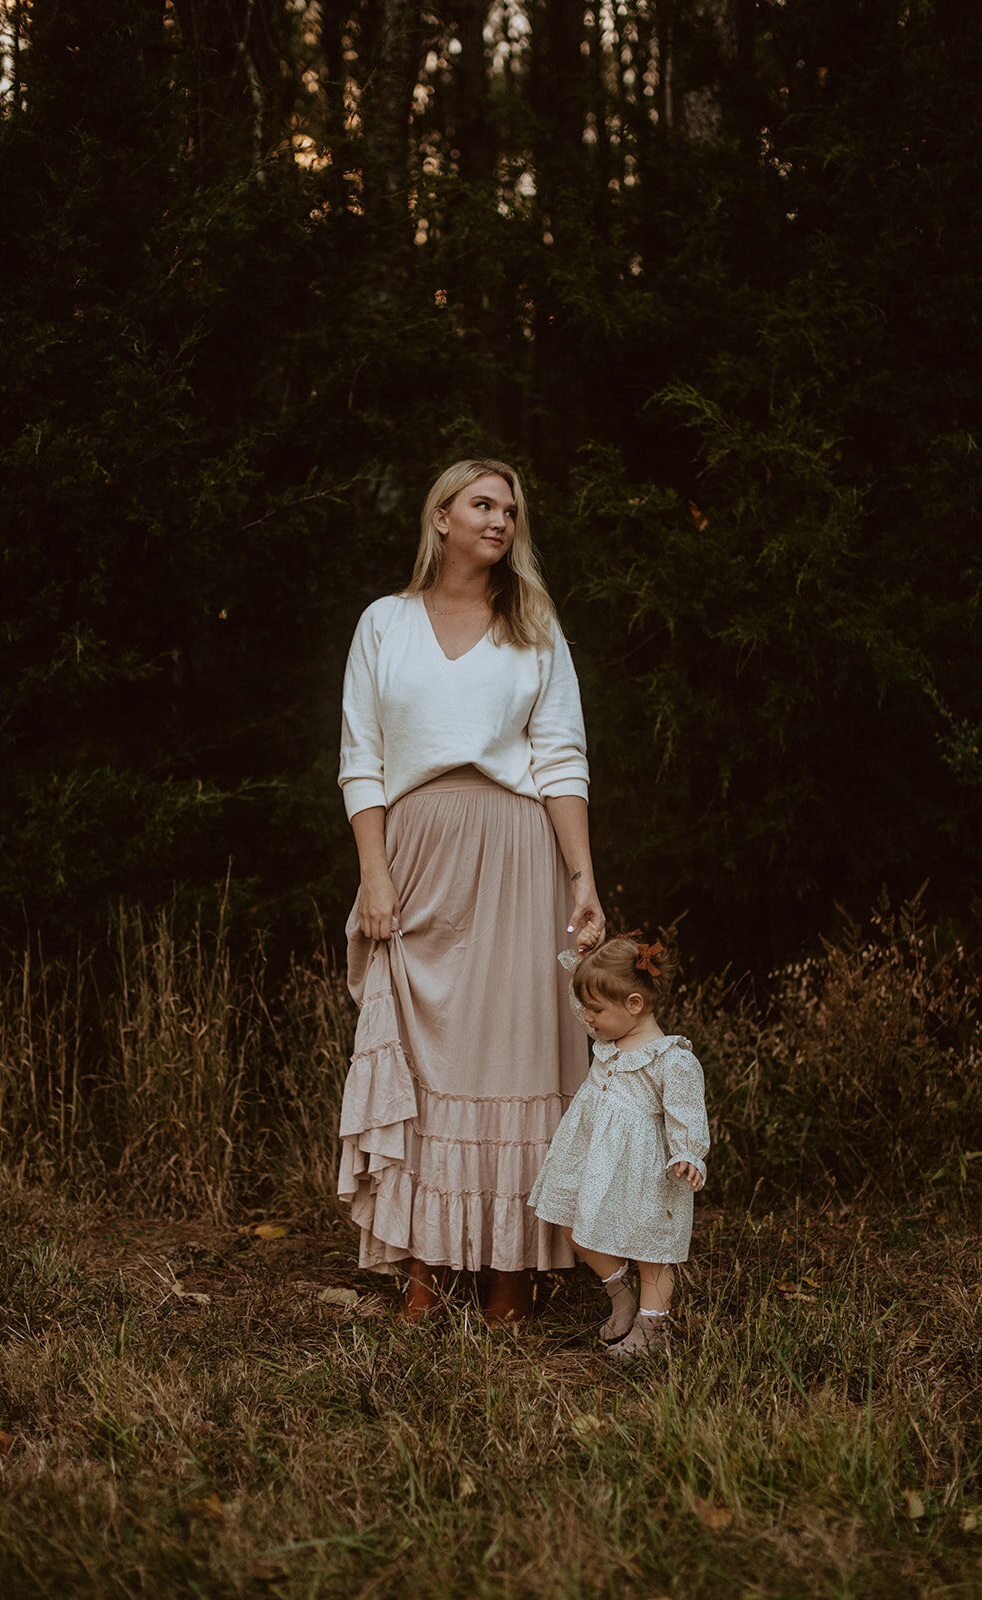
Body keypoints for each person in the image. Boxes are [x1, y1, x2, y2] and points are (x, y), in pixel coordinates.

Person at [337, 458, 605, 1322]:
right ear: (441, 516)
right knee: (418, 1060)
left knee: (516, 1055)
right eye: (483, 505)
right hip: (414, 856)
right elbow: (361, 761)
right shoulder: (385, 622)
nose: (500, 520)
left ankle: (508, 1280)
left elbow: (561, 757)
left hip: (516, 855)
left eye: (511, 510)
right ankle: (422, 1273)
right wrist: (372, 873)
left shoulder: (532, 626)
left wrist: (583, 877)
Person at [528, 934, 709, 1358]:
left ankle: (651, 1330)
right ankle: (620, 1295)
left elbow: (688, 1113)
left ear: (633, 1004)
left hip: (645, 1169)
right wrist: (587, 960)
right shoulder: (608, 1039)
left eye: (595, 1011)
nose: (587, 1019)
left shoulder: (672, 1058)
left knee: (651, 1250)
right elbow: (583, 1000)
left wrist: (688, 1153)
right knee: (568, 1218)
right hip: (591, 1158)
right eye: (588, 1010)